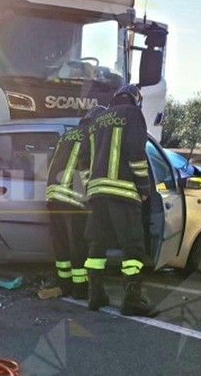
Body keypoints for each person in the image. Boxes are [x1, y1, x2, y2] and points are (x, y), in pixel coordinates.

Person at [79, 84, 156, 316]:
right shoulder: (132, 114)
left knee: (97, 244)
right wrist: (144, 187)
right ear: (136, 100)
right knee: (132, 246)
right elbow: (136, 153)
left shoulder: (96, 120)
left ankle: (95, 296)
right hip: (123, 192)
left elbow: (84, 160)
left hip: (96, 194)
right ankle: (132, 301)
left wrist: (90, 187)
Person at [45, 107, 101, 299]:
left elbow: (51, 161)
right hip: (72, 196)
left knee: (61, 244)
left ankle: (64, 285)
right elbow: (87, 166)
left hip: (53, 194)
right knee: (77, 244)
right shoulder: (91, 134)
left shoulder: (67, 135)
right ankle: (79, 289)